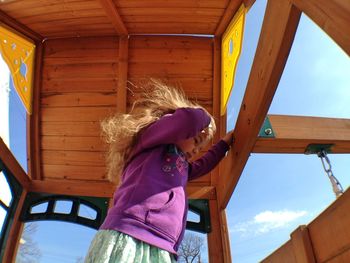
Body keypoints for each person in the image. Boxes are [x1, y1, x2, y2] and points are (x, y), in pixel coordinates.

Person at [84, 79, 234, 262]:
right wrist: (206, 119)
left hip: (164, 244)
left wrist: (224, 145)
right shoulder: (150, 140)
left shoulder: (183, 167)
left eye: (200, 147)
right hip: (132, 231)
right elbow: (189, 120)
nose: (196, 150)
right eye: (196, 141)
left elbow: (205, 164)